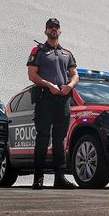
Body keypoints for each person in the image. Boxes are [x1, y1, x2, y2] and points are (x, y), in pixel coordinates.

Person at [26, 17, 78, 190]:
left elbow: (75, 74)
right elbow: (32, 75)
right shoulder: (38, 51)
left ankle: (59, 178)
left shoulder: (67, 54)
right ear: (46, 31)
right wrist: (49, 85)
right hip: (45, 97)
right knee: (42, 138)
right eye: (50, 27)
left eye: (56, 27)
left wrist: (69, 86)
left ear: (60, 31)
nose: (53, 29)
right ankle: (38, 178)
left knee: (59, 139)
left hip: (62, 99)